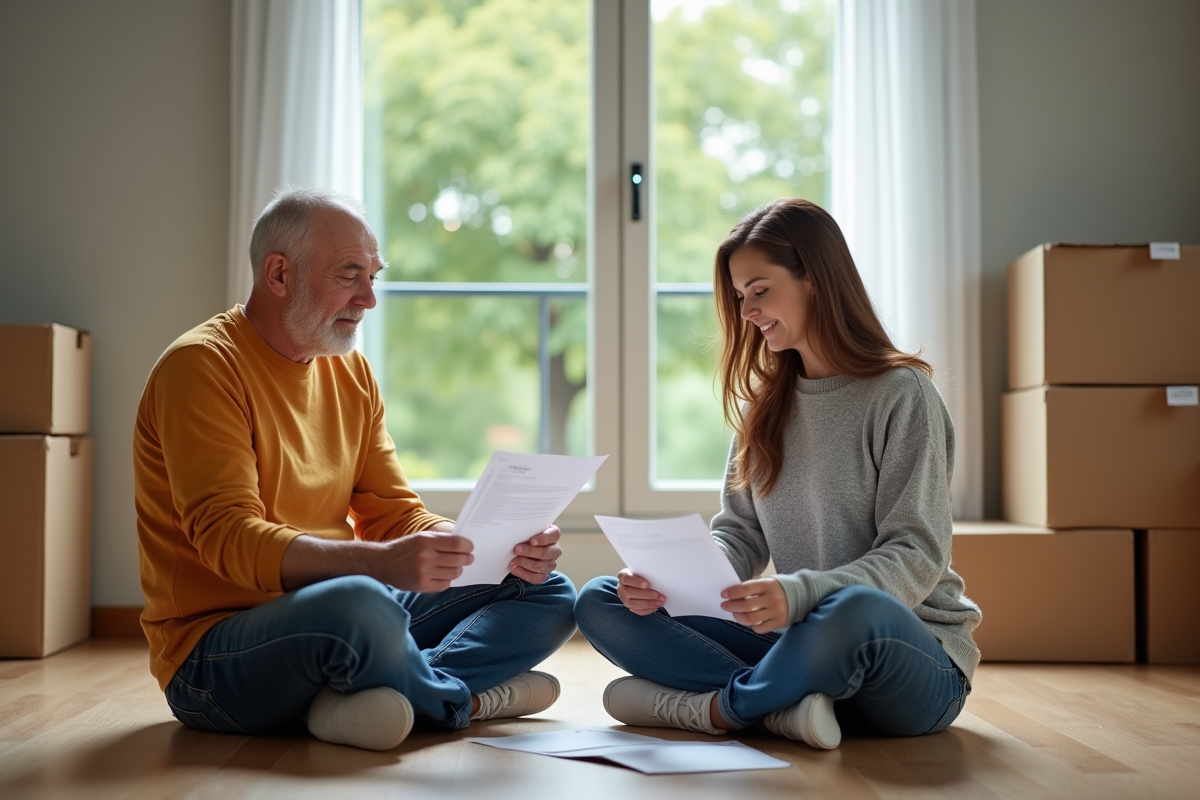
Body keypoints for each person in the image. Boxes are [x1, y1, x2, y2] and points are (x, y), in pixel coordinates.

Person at [134, 188, 577, 751]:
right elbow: (229, 539)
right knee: (363, 603)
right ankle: (459, 699)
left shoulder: (351, 373)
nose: (369, 298)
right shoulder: (201, 367)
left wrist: (479, 547)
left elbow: (393, 515)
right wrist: (381, 564)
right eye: (349, 276)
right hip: (215, 658)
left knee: (545, 588)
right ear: (278, 275)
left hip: (347, 614)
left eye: (374, 275)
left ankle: (379, 690)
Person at [575, 198, 981, 749]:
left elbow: (917, 553)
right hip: (798, 645)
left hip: (907, 660)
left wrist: (802, 594)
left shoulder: (902, 395)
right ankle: (785, 705)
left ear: (816, 278)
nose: (746, 312)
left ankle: (724, 709)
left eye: (760, 291)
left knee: (850, 610)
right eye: (740, 297)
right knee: (601, 599)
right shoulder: (763, 407)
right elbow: (740, 535)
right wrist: (665, 580)